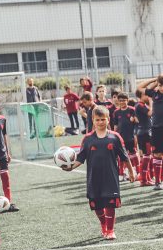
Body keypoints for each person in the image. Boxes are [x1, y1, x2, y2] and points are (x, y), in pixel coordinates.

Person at [63, 105, 136, 239]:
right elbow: (81, 158)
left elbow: (125, 157)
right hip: (94, 178)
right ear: (93, 120)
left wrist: (131, 172)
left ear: (108, 119)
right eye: (97, 120)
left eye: (103, 119)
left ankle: (110, 230)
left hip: (110, 176)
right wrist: (71, 167)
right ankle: (103, 224)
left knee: (110, 204)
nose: (100, 122)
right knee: (97, 206)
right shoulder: (87, 139)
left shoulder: (115, 137)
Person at [138, 74, 163, 189]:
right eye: (160, 85)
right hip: (156, 128)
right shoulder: (154, 93)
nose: (162, 88)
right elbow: (140, 88)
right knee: (157, 155)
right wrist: (155, 80)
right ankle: (158, 182)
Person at [111, 93, 137, 183]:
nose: (122, 102)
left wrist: (135, 136)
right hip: (120, 138)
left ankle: (136, 172)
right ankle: (121, 174)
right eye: (120, 100)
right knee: (121, 156)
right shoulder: (116, 112)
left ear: (127, 100)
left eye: (124, 100)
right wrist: (114, 136)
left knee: (133, 155)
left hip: (131, 137)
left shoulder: (132, 110)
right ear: (118, 101)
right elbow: (115, 126)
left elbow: (137, 123)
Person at [133, 90, 153, 186]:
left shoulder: (141, 105)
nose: (148, 96)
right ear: (141, 96)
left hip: (143, 132)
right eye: (146, 95)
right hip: (145, 133)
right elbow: (150, 113)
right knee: (147, 156)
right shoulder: (140, 105)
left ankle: (146, 178)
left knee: (146, 156)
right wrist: (151, 102)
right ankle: (144, 180)